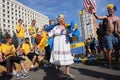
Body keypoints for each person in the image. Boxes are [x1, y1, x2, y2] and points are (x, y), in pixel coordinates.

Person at [47, 14, 74, 78]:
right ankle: (59, 73)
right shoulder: (55, 27)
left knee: (67, 57)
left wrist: (73, 30)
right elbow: (49, 34)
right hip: (58, 44)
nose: (64, 20)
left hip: (65, 44)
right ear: (59, 20)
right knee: (59, 58)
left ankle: (67, 73)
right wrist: (43, 35)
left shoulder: (67, 27)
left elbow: (71, 33)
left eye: (64, 19)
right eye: (63, 19)